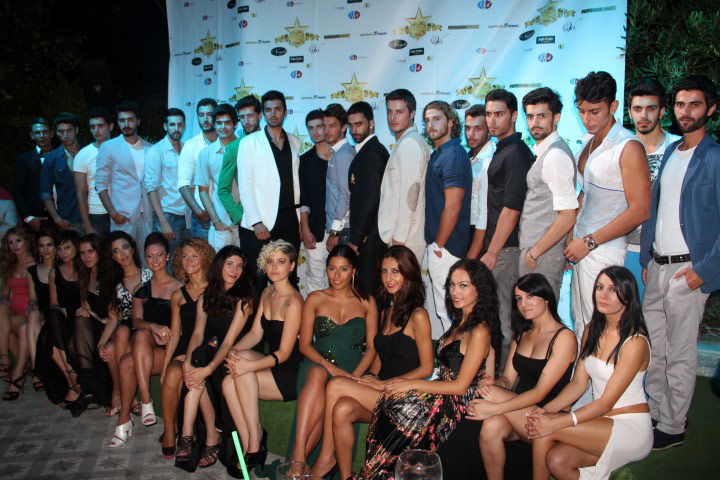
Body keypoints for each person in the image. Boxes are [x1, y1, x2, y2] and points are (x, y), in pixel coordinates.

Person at [360, 258, 499, 480]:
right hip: (440, 394)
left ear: (479, 289)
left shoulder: (479, 330)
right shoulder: (460, 323)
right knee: (393, 401)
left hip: (455, 405)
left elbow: (461, 386)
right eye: (452, 285)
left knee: (397, 403)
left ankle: (382, 473)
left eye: (463, 285)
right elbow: (487, 357)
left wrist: (410, 383)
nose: (455, 291)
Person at [640, 75, 720, 450]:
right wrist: (647, 256)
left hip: (689, 270)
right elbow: (656, 209)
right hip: (657, 265)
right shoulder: (672, 151)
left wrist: (702, 272)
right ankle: (658, 413)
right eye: (680, 104)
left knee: (680, 354)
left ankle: (673, 426)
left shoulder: (715, 158)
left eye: (695, 104)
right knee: (655, 350)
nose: (685, 111)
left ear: (711, 109)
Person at [311, 245, 434, 479]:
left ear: (408, 274)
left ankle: (325, 459)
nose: (389, 278)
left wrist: (384, 384)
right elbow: (380, 355)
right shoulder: (387, 312)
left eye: (395, 272)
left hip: (406, 398)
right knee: (343, 408)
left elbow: (427, 368)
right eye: (385, 271)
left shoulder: (418, 315)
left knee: (336, 384)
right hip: (382, 391)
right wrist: (371, 377)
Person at [526, 266, 652, 480]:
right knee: (557, 460)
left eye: (613, 290)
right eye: (599, 287)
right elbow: (578, 384)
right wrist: (546, 410)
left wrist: (555, 421)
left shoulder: (635, 342)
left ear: (628, 296)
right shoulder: (591, 330)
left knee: (546, 428)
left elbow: (606, 403)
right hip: (600, 422)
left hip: (630, 427)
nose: (603, 295)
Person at [564, 72, 650, 343]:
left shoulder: (628, 146)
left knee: (602, 331)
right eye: (581, 111)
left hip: (605, 250)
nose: (586, 119)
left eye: (595, 111)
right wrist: (571, 237)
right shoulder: (589, 143)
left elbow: (640, 210)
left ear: (613, 107)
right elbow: (585, 195)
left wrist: (588, 242)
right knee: (582, 325)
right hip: (582, 246)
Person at [464, 274, 576, 480]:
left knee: (490, 401)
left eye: (530, 296)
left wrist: (496, 406)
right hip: (518, 413)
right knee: (491, 426)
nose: (524, 304)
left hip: (547, 415)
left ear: (546, 298)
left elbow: (540, 392)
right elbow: (507, 379)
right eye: (518, 299)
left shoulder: (564, 337)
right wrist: (493, 383)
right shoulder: (522, 334)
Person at [288, 245, 378, 466]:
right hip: (316, 364)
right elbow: (305, 345)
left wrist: (354, 376)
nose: (336, 275)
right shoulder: (315, 298)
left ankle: (302, 465)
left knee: (332, 386)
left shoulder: (367, 302)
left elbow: (372, 348)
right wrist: (332, 369)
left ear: (353, 271)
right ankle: (298, 458)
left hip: (352, 369)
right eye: (331, 268)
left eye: (343, 269)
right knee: (318, 374)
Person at [222, 241, 304, 476]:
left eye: (281, 262)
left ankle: (255, 441)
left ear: (291, 266)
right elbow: (255, 333)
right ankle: (249, 438)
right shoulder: (267, 292)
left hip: (290, 372)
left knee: (237, 376)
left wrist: (250, 365)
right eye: (270, 262)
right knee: (233, 370)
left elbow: (285, 353)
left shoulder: (294, 302)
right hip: (271, 361)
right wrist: (232, 351)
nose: (274, 267)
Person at [174, 246, 253, 470]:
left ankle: (209, 436)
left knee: (202, 364)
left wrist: (207, 368)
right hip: (211, 354)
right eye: (230, 264)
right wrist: (188, 363)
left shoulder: (244, 299)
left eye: (239, 266)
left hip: (232, 358)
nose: (235, 270)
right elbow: (197, 334)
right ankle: (189, 434)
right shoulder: (206, 297)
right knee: (197, 358)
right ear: (219, 266)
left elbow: (228, 342)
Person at [111, 232, 183, 438]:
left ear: (167, 256)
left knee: (127, 362)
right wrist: (154, 327)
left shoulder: (179, 288)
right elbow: (136, 321)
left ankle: (128, 418)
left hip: (171, 346)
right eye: (150, 256)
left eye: (159, 255)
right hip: (148, 345)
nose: (155, 260)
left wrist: (164, 332)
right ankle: (141, 404)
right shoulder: (141, 289)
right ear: (145, 258)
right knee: (141, 334)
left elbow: (183, 326)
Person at [482, 89, 534, 369]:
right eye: (488, 114)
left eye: (499, 114)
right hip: (499, 248)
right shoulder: (503, 149)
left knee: (507, 324)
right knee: (498, 321)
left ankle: (507, 381)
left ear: (514, 116)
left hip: (507, 249)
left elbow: (512, 208)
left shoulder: (516, 154)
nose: (492, 120)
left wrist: (492, 252)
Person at [518, 88, 579, 299]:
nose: (535, 122)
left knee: (541, 315)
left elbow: (568, 216)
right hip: (538, 253)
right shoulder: (545, 152)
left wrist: (534, 252)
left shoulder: (555, 156)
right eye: (530, 116)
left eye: (542, 116)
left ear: (556, 118)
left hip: (541, 255)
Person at [237, 90, 301, 287]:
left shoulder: (294, 141)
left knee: (288, 279)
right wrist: (256, 222)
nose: (273, 114)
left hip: (289, 219)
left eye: (278, 109)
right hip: (260, 223)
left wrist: (300, 219)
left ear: (285, 112)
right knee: (256, 280)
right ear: (263, 113)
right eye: (268, 110)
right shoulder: (249, 143)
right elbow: (245, 186)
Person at [625, 78, 681, 297]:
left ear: (662, 111)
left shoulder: (679, 147)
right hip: (624, 248)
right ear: (629, 113)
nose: (644, 115)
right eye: (637, 109)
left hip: (665, 252)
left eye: (651, 108)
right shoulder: (620, 148)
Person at [160, 237, 215, 457]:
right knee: (171, 373)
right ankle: (169, 430)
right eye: (184, 256)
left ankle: (183, 431)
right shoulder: (177, 296)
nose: (189, 260)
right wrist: (165, 366)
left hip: (208, 348)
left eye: (194, 256)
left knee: (180, 372)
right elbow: (174, 335)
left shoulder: (215, 289)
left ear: (205, 258)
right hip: (184, 348)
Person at [422, 100, 472, 338]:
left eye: (437, 119)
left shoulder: (453, 154)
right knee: (445, 312)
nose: (431, 124)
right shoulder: (440, 153)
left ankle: (456, 359)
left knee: (451, 312)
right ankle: (449, 357)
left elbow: (453, 206)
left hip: (448, 248)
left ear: (451, 122)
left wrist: (439, 246)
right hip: (441, 246)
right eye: (427, 120)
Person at [98, 231, 152, 415]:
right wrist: (100, 344)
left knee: (115, 343)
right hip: (124, 328)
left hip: (145, 326)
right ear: (112, 257)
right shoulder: (114, 284)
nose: (122, 253)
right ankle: (124, 394)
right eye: (116, 251)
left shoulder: (149, 275)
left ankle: (119, 393)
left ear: (133, 249)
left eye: (125, 247)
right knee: (115, 338)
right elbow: (113, 319)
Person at [378, 88, 431, 263]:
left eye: (399, 112)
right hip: (407, 236)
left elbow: (411, 194)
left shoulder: (409, 144)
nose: (393, 117)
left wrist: (399, 239)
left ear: (412, 113)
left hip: (406, 239)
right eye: (389, 112)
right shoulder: (410, 141)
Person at [96, 100, 154, 256]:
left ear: (138, 121)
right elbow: (100, 185)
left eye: (130, 120)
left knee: (147, 257)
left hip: (147, 215)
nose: (126, 124)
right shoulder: (108, 147)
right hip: (123, 216)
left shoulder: (149, 148)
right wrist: (114, 214)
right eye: (122, 120)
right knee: (123, 258)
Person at [68, 233, 117, 417]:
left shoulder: (110, 275)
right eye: (82, 253)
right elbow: (85, 307)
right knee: (74, 335)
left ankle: (88, 388)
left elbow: (114, 317)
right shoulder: (85, 276)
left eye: (90, 251)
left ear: (99, 252)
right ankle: (88, 388)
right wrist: (83, 311)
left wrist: (93, 316)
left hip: (112, 326)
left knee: (79, 336)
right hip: (95, 324)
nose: (86, 256)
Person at [34, 230, 82, 407]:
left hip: (80, 317)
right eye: (60, 249)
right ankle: (71, 376)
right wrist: (58, 309)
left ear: (76, 248)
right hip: (62, 317)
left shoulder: (84, 269)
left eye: (67, 248)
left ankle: (71, 382)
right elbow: (53, 303)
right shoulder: (54, 272)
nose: (63, 252)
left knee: (48, 337)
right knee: (53, 318)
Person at [346, 101, 390, 295]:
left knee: (368, 294)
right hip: (369, 237)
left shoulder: (372, 153)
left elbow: (371, 200)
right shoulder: (367, 150)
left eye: (359, 124)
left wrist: (356, 239)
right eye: (351, 125)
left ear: (371, 123)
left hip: (370, 239)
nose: (354, 130)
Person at [197, 104, 240, 251]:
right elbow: (203, 191)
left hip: (246, 222)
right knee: (219, 264)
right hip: (221, 224)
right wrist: (216, 222)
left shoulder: (245, 148)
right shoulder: (206, 153)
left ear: (235, 124)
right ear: (214, 125)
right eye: (219, 123)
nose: (223, 127)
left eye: (227, 122)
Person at [0, 227, 36, 400]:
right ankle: (5, 357)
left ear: (26, 242)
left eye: (18, 241)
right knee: (0, 311)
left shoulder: (35, 263)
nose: (15, 246)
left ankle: (17, 373)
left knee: (16, 329)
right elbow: (5, 293)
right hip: (15, 311)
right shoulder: (10, 265)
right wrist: (4, 298)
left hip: (31, 313)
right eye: (11, 242)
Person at [299, 109, 333, 293]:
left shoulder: (345, 155)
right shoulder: (304, 161)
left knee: (341, 280)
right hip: (316, 229)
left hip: (342, 231)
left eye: (319, 126)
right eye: (310, 128)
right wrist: (305, 228)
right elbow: (303, 199)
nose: (315, 132)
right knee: (315, 279)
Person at [145, 108, 188, 254]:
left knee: (182, 260)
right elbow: (151, 189)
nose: (176, 128)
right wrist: (163, 222)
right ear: (165, 126)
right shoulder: (156, 151)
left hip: (187, 215)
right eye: (172, 124)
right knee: (165, 261)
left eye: (180, 124)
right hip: (167, 215)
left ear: (184, 126)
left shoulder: (187, 149)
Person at [217, 95, 263, 228]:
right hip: (249, 218)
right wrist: (239, 217)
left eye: (250, 116)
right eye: (242, 117)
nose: (246, 121)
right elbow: (223, 190)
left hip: (274, 212)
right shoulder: (234, 148)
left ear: (260, 115)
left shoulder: (270, 142)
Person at [178, 98, 218, 240]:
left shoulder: (228, 143)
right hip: (203, 216)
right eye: (201, 115)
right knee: (202, 254)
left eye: (209, 114)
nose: (205, 119)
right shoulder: (191, 146)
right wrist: (199, 211)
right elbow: (183, 183)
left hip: (227, 214)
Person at [73, 107, 114, 238]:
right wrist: (88, 226)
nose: (96, 130)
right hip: (96, 214)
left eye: (100, 126)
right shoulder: (83, 155)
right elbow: (81, 193)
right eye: (92, 127)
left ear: (110, 126)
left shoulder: (122, 150)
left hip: (121, 210)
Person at [25, 229, 57, 391]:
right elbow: (33, 298)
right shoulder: (32, 271)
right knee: (32, 315)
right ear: (37, 248)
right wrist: (32, 304)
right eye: (41, 246)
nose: (45, 249)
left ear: (56, 247)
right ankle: (37, 368)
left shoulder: (63, 268)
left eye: (49, 245)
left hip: (58, 311)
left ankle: (38, 370)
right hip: (42, 311)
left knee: (28, 326)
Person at [40, 113, 82, 231]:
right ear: (57, 133)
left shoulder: (89, 153)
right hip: (67, 218)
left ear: (76, 130)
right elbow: (45, 191)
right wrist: (57, 218)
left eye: (69, 130)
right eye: (61, 131)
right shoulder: (51, 158)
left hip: (93, 215)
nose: (65, 135)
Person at [464, 104, 496, 260]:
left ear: (489, 131)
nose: (471, 134)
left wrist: (472, 255)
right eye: (467, 128)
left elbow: (483, 214)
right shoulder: (469, 157)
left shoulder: (489, 162)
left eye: (478, 129)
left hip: (481, 236)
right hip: (467, 232)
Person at [12, 117, 54, 231]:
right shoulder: (24, 159)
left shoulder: (61, 155)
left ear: (51, 133)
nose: (41, 135)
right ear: (32, 136)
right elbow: (17, 191)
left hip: (62, 214)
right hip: (36, 217)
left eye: (45, 131)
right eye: (37, 132)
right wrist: (28, 218)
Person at [324, 103, 356, 251]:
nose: (326, 131)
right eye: (324, 126)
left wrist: (335, 231)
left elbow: (346, 195)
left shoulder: (343, 155)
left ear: (343, 127)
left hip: (343, 229)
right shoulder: (339, 153)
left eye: (332, 126)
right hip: (340, 228)